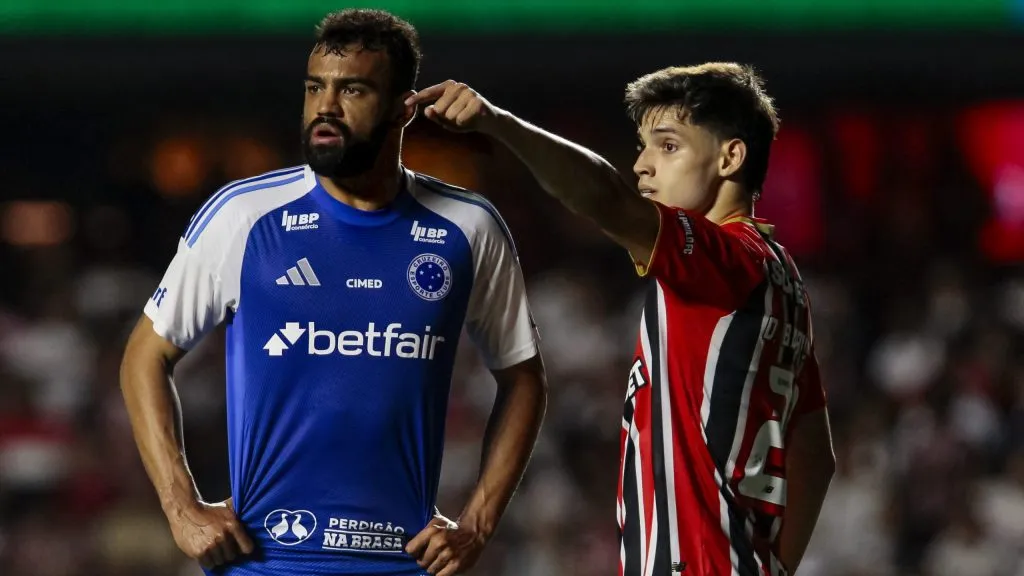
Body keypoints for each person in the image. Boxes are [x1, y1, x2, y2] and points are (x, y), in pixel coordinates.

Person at [119, 9, 547, 576]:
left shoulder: (468, 227)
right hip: (262, 561)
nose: (326, 107)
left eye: (353, 90)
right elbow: (145, 355)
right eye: (314, 88)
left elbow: (523, 377)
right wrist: (182, 508)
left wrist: (477, 525)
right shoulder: (244, 216)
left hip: (403, 563)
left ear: (402, 109)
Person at [408, 63, 835, 575]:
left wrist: (498, 123)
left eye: (668, 146)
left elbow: (605, 198)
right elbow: (815, 455)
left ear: (730, 157)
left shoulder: (723, 260)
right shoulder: (783, 280)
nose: (642, 166)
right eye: (643, 146)